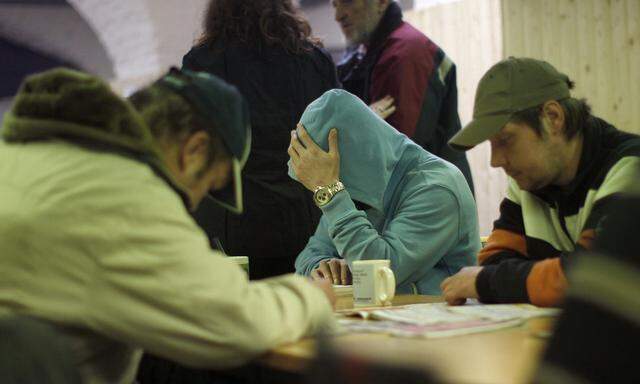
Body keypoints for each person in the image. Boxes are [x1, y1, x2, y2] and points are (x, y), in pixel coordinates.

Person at [0, 68, 335, 384]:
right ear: (194, 150)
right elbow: (235, 322)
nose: (190, 206)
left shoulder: (24, 157)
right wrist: (313, 298)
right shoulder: (123, 191)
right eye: (206, 187)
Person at [441, 57, 640, 307]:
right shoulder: (530, 181)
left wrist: (489, 282)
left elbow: (594, 280)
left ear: (553, 117)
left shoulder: (631, 168)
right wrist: (552, 278)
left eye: (505, 140)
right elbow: (494, 262)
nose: (495, 161)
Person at [182, 0, 340, 279]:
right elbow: (337, 138)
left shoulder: (203, 62)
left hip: (235, 229)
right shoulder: (315, 60)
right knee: (312, 314)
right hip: (307, 225)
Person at [290, 89, 478, 294]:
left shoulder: (437, 188)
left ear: (354, 160)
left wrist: (330, 192)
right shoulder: (359, 185)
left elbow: (378, 274)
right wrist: (322, 266)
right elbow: (308, 256)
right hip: (383, 320)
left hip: (447, 321)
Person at [333, 0, 474, 193]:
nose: (338, 15)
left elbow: (395, 157)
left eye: (347, 2)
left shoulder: (405, 54)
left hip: (426, 204)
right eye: (334, 5)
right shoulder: (365, 53)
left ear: (381, 2)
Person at [534, 196, 640, 384]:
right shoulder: (523, 188)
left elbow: (575, 277)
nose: (495, 164)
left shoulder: (621, 181)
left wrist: (486, 280)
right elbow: (494, 258)